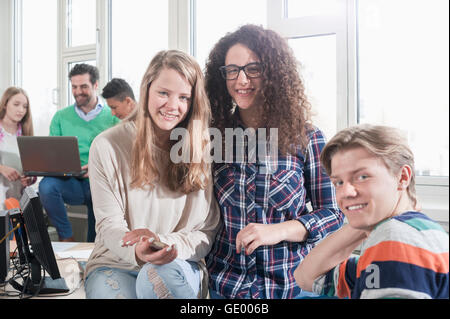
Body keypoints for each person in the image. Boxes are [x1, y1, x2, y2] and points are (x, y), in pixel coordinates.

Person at [204, 24, 343, 299]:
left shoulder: (307, 138)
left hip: (291, 286)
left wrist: (279, 230)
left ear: (273, 73)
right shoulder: (213, 138)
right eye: (232, 70)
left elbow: (334, 214)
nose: (241, 80)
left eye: (252, 68)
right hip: (225, 286)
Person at [83, 50, 221, 299]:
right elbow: (109, 225)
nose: (172, 106)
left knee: (156, 277)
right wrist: (138, 249)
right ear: (146, 90)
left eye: (184, 97)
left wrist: (162, 243)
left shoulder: (202, 149)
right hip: (116, 262)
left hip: (179, 261)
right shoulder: (107, 145)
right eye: (163, 93)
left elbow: (206, 231)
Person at [294, 124, 449, 299]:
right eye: (338, 182)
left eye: (362, 177)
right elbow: (306, 277)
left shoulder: (395, 239)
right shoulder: (417, 231)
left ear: (403, 177)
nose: (345, 192)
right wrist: (365, 220)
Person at [38, 64, 120, 242]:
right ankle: (67, 238)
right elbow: (52, 154)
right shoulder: (60, 117)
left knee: (96, 233)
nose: (77, 91)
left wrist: (98, 167)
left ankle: (94, 245)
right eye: (74, 87)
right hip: (71, 182)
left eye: (83, 86)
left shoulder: (112, 115)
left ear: (95, 85)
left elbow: (120, 154)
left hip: (99, 181)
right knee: (46, 186)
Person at [0, 87, 36, 210]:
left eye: (25, 106)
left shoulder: (26, 133)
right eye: (16, 104)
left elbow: (33, 168)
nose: (21, 110)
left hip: (18, 196)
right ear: (5, 104)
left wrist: (30, 178)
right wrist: (1, 168)